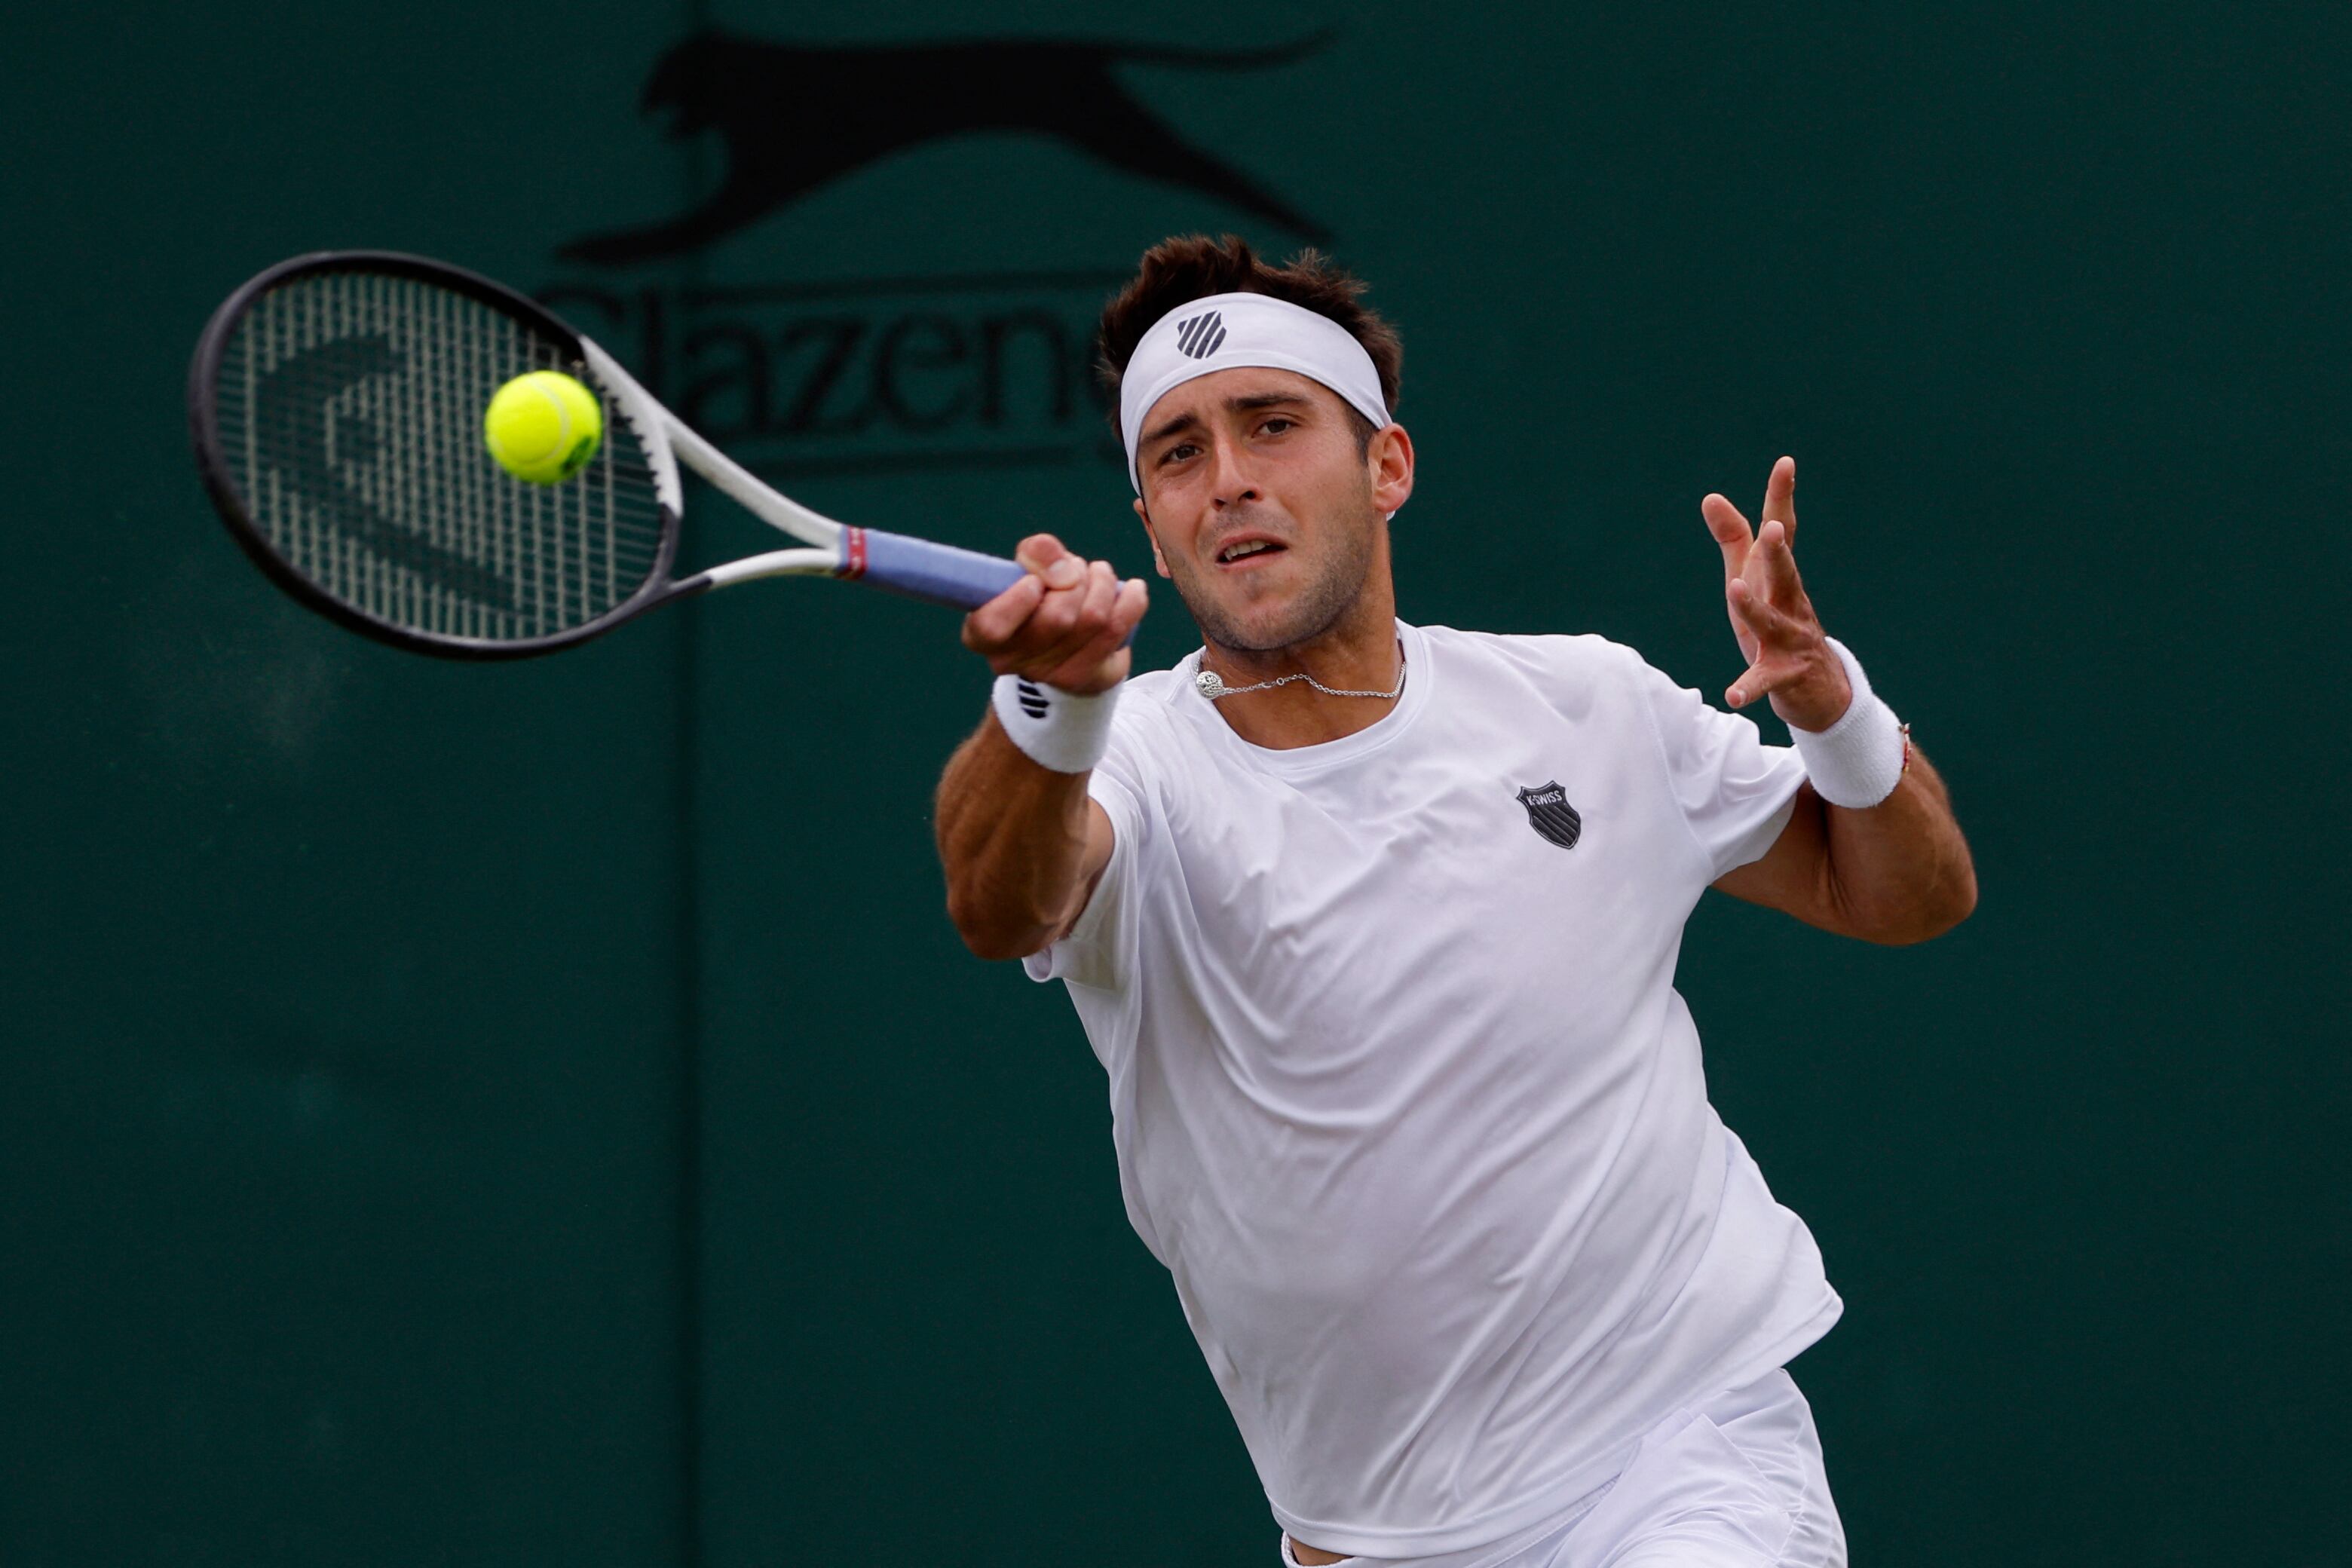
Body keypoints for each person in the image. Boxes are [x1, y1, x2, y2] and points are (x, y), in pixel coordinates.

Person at [932, 234, 1976, 1568]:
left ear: (1387, 466)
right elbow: (1002, 905)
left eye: (1272, 425)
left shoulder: (1584, 703)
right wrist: (1046, 709)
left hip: (1679, 1455)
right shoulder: (1124, 758)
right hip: (1367, 1536)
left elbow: (1909, 892)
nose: (1232, 479)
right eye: (1179, 453)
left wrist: (1833, 707)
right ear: (1150, 523)